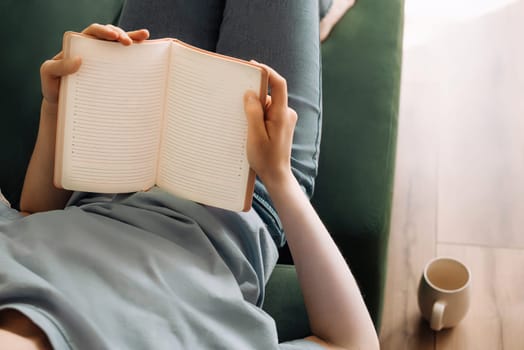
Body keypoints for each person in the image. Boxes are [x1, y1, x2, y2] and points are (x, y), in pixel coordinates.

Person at [0, 2, 379, 349]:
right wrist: (279, 176)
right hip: (246, 180)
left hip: (117, 150)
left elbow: (30, 220)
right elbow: (352, 343)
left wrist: (57, 107)